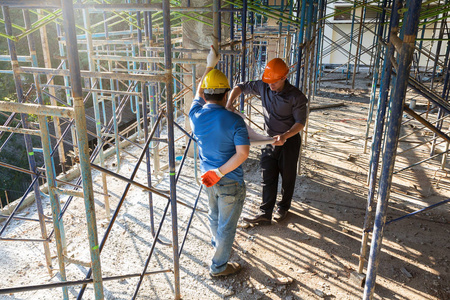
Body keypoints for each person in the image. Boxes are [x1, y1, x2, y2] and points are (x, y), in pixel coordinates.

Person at [189, 46, 250, 277]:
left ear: (205, 95)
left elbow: (197, 93)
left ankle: (217, 248)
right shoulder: (234, 120)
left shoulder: (195, 116)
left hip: (208, 178)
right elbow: (242, 153)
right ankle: (218, 267)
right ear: (226, 95)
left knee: (214, 216)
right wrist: (220, 172)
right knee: (227, 226)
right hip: (228, 180)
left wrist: (209, 65)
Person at [226, 58, 308, 224]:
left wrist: (284, 136)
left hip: (289, 141)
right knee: (267, 174)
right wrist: (229, 104)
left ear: (284, 78)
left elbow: (300, 123)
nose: (270, 86)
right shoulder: (264, 85)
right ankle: (265, 213)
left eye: (274, 82)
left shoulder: (297, 97)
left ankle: (283, 207)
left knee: (287, 176)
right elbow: (240, 87)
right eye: (268, 82)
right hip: (269, 139)